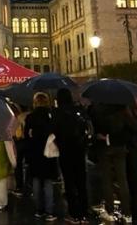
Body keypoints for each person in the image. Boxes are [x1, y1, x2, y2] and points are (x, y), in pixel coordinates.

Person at [91, 104, 137, 224]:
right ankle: (127, 213)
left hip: (104, 149)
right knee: (122, 180)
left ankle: (110, 211)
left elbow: (95, 129)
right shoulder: (122, 110)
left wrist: (105, 138)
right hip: (120, 148)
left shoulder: (98, 110)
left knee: (107, 180)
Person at [53, 88, 90, 224]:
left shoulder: (57, 113)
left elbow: (54, 132)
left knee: (69, 183)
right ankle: (84, 212)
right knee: (81, 182)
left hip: (65, 151)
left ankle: (74, 214)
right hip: (79, 150)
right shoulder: (78, 111)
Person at [25, 92, 58, 222]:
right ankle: (49, 211)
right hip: (48, 153)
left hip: (34, 153)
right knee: (48, 182)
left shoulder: (30, 117)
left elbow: (27, 136)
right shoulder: (51, 116)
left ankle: (39, 210)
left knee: (37, 181)